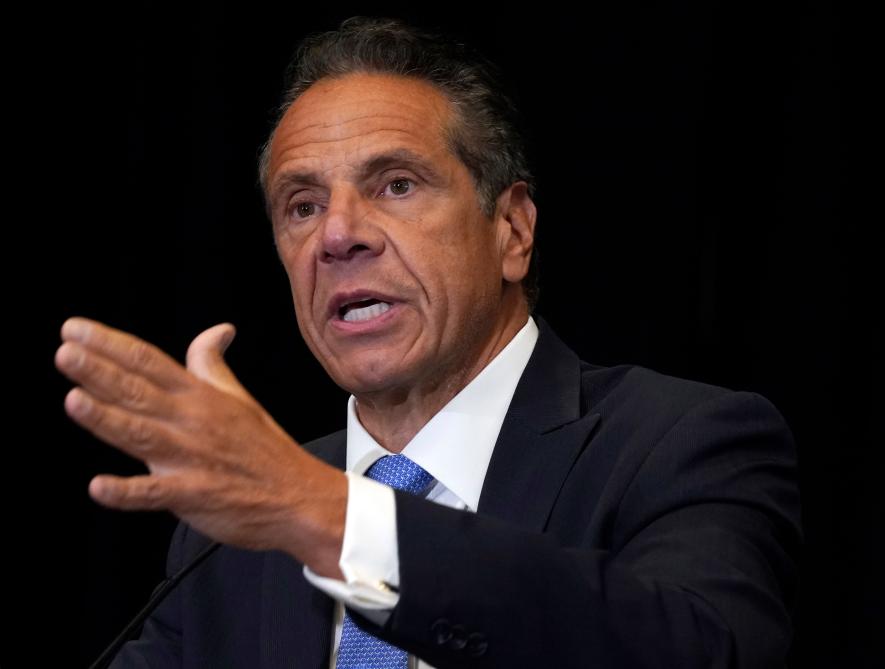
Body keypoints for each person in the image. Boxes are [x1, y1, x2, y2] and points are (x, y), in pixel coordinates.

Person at [55, 16, 802, 668]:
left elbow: (695, 649)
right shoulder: (232, 529)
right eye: (302, 204)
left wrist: (326, 513)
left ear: (512, 231)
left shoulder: (679, 445)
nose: (337, 235)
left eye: (396, 184)